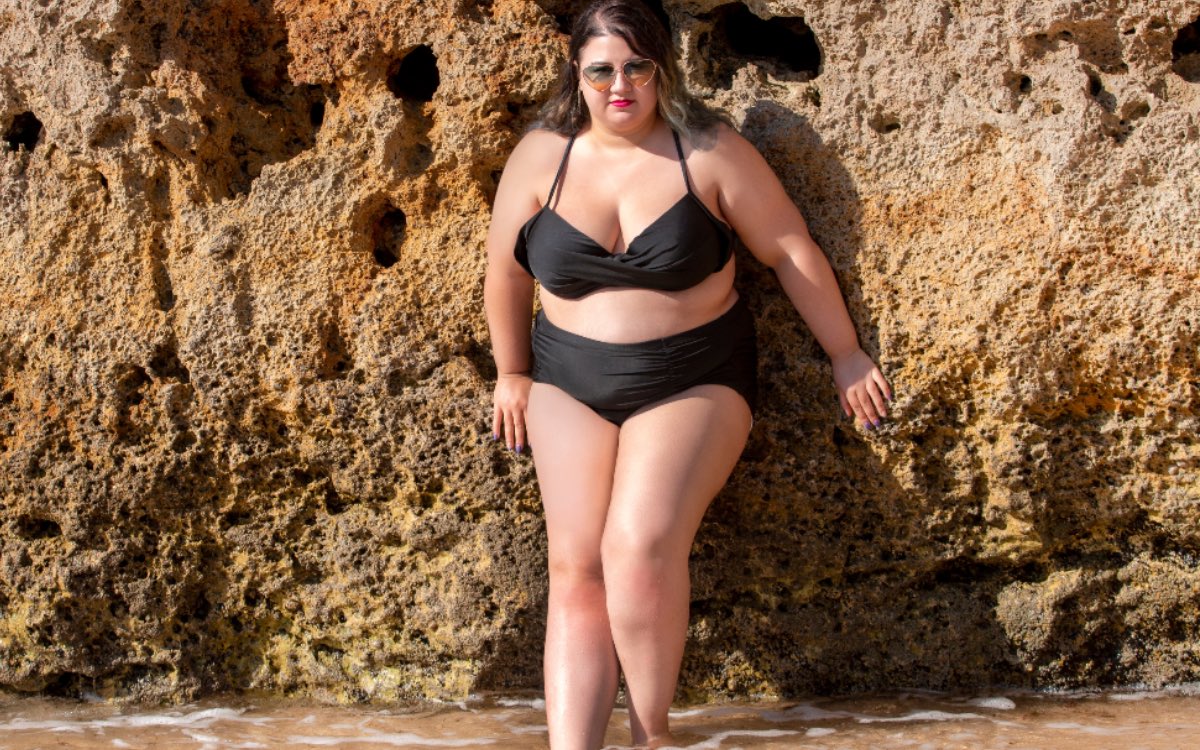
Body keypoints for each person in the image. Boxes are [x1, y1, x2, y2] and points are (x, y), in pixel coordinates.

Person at [483, 1, 892, 747]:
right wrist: (511, 372)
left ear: (663, 67)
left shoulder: (707, 150)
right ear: (577, 72)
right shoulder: (543, 156)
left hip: (693, 377)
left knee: (635, 546)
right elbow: (505, 277)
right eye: (602, 69)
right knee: (575, 564)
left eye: (638, 67)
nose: (621, 86)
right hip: (567, 379)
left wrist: (846, 353)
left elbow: (790, 250)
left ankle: (652, 734)